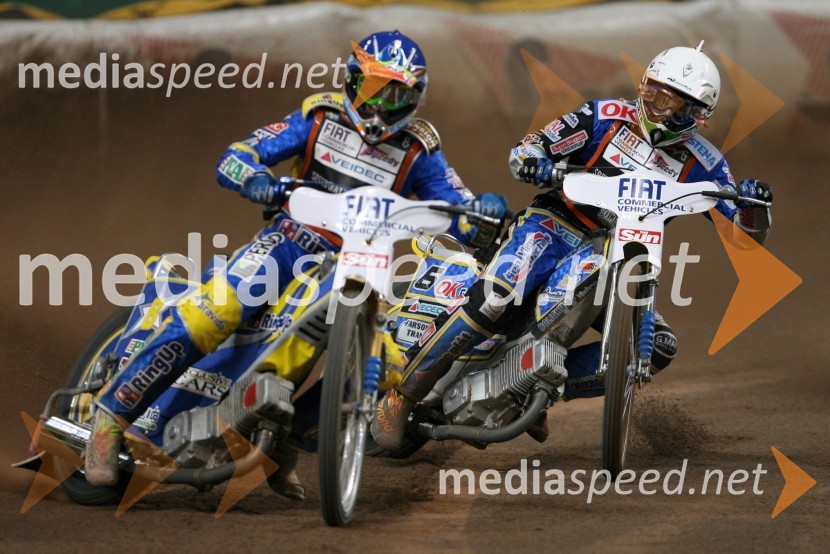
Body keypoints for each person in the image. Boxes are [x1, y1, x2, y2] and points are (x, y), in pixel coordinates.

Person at [85, 30, 508, 497]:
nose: (384, 105)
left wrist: (484, 215)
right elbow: (237, 156)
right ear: (353, 80)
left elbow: (463, 213)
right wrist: (256, 180)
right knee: (216, 311)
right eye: (375, 89)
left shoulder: (417, 150)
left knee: (383, 363)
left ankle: (276, 436)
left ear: (415, 98)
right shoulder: (319, 118)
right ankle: (111, 417)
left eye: (398, 95)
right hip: (287, 243)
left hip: (358, 263)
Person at [372, 42, 773, 451]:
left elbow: (743, 235)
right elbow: (530, 148)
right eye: (655, 94)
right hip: (554, 223)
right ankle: (402, 395)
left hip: (622, 249)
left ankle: (532, 388)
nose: (661, 111)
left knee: (658, 349)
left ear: (700, 117)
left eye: (677, 105)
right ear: (643, 84)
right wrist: (534, 161)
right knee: (495, 298)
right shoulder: (603, 116)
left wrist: (754, 205)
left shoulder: (705, 162)